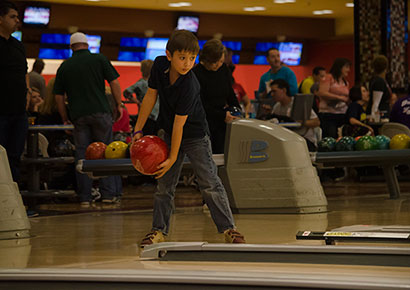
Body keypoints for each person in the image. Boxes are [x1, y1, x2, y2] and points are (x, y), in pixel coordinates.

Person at [132, 30, 245, 247]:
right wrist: (137, 129)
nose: (187, 63)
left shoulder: (190, 84)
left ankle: (229, 228)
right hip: (167, 130)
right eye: (182, 58)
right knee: (164, 185)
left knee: (210, 183)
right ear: (169, 55)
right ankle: (158, 230)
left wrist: (173, 157)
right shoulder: (158, 66)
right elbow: (150, 95)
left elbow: (179, 123)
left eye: (192, 58)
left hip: (194, 134)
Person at [53, 32, 122, 206]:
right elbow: (114, 82)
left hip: (78, 116)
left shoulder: (65, 66)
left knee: (82, 156)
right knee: (106, 152)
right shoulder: (99, 59)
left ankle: (85, 197)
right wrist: (118, 105)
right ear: (87, 44)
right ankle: (108, 195)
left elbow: (58, 96)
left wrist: (64, 118)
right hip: (101, 112)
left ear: (71, 47)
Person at [0, 0, 30, 183]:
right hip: (0, 112)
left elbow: (24, 72)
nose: (17, 21)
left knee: (14, 158)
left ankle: (14, 202)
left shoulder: (18, 46)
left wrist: (28, 93)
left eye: (17, 17)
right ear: (0, 19)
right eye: (12, 17)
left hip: (19, 112)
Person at [193, 39, 240, 154]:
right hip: (204, 121)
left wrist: (237, 109)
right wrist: (222, 115)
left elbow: (230, 93)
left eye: (221, 61)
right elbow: (200, 104)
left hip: (223, 120)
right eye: (216, 62)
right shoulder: (196, 74)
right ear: (207, 60)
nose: (219, 65)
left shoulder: (224, 69)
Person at [270, 79, 320, 151]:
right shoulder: (277, 107)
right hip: (288, 141)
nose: (272, 94)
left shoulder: (299, 104)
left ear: (284, 90)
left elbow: (317, 122)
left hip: (304, 141)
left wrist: (301, 123)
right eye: (271, 92)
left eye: (274, 91)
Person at [317, 58, 351, 138]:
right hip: (328, 114)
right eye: (346, 67)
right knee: (331, 136)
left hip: (342, 114)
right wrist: (339, 98)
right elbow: (322, 92)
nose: (348, 70)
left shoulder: (345, 82)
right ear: (339, 67)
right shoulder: (328, 77)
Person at [123, 59, 158, 135]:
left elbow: (126, 92)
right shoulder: (156, 83)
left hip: (145, 116)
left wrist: (137, 102)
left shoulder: (141, 83)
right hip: (156, 116)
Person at [368, 55, 397, 119]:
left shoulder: (380, 80)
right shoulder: (379, 81)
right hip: (381, 115)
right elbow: (376, 102)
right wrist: (373, 119)